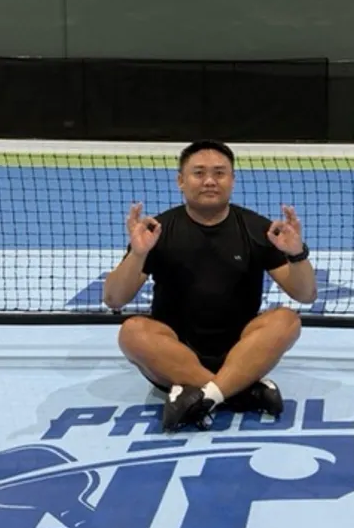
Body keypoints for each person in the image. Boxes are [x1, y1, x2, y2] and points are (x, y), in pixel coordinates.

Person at [103, 139, 317, 432]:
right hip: (173, 355)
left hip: (242, 351)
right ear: (180, 181)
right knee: (132, 333)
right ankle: (237, 390)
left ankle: (203, 396)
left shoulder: (256, 229)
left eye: (219, 173)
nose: (209, 181)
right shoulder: (157, 231)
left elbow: (306, 295)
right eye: (199, 173)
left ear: (233, 180)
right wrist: (138, 253)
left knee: (287, 320)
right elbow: (114, 299)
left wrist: (296, 254)